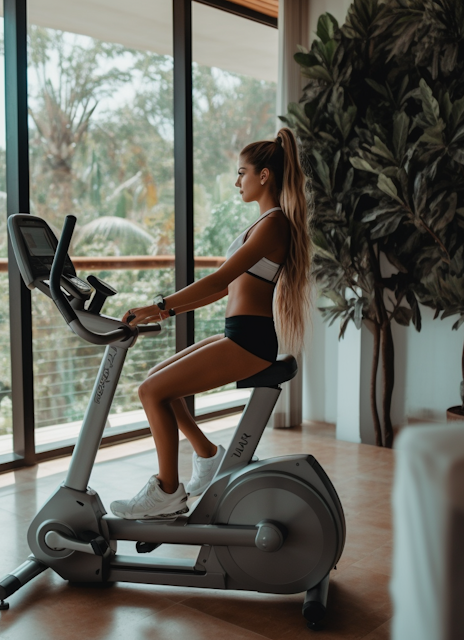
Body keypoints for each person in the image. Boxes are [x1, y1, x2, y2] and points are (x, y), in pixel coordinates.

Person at [110, 127, 312, 519]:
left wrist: (157, 305)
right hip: (238, 334)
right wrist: (166, 312)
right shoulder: (260, 224)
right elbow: (224, 290)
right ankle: (207, 457)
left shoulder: (274, 224)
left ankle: (167, 491)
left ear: (264, 175)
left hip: (250, 340)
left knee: (151, 391)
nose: (238, 181)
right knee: (157, 380)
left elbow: (219, 280)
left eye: (242, 172)